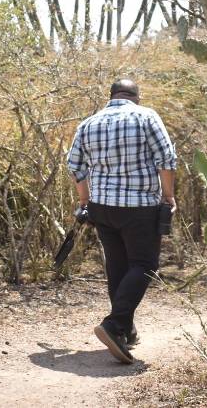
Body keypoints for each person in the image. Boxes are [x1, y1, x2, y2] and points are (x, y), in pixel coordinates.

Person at [66, 79, 177, 364]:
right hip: (139, 206)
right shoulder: (146, 116)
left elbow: (75, 166)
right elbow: (166, 158)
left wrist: (84, 202)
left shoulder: (89, 123)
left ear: (112, 95)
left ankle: (125, 330)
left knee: (117, 265)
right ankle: (114, 325)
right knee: (144, 265)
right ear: (136, 97)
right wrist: (169, 197)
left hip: (101, 207)